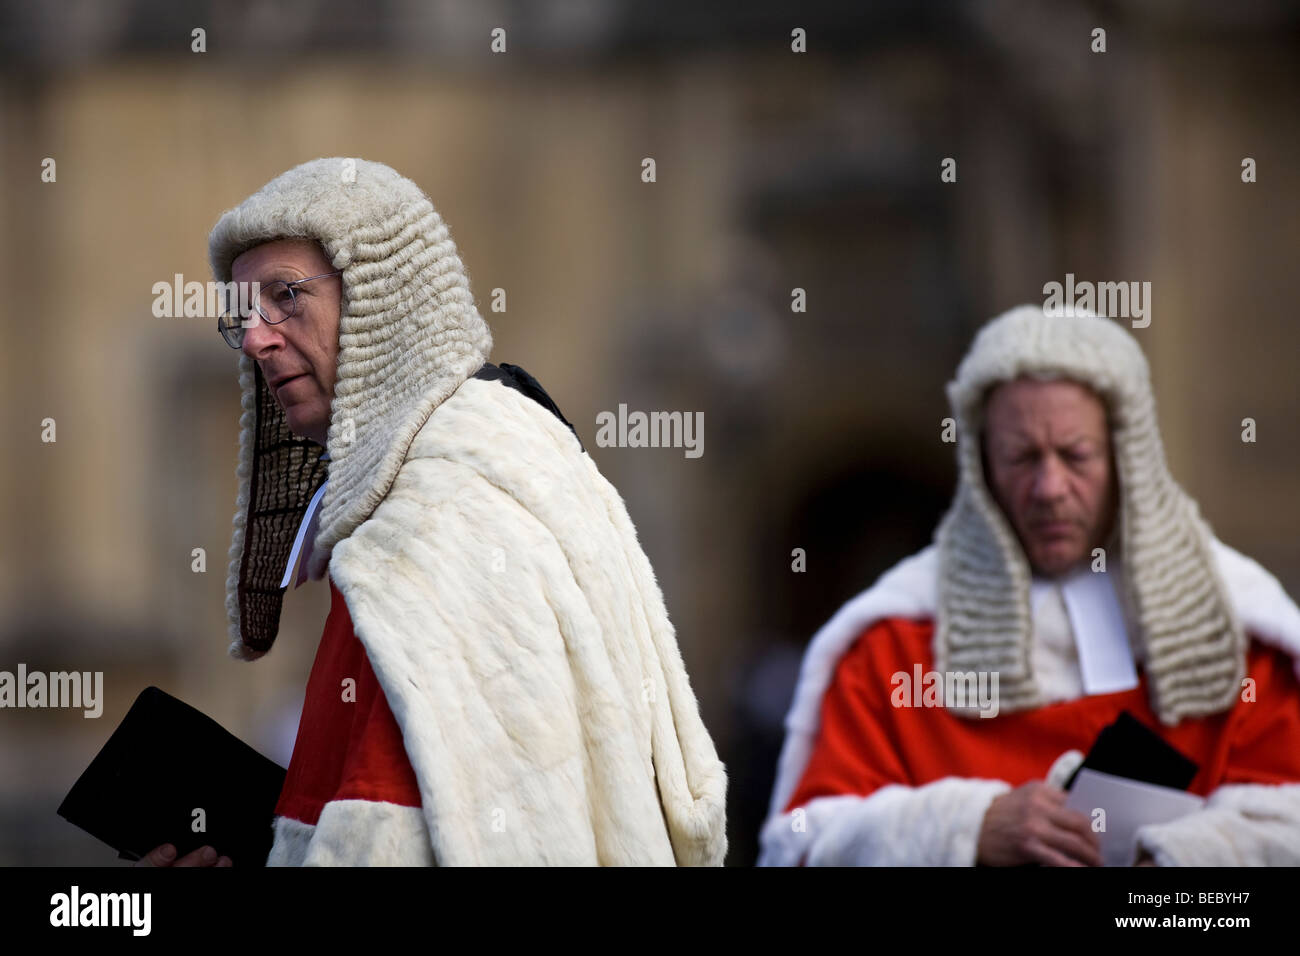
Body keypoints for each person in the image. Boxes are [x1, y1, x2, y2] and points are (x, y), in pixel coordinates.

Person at [143, 157, 727, 866]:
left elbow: (390, 839)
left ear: (384, 297)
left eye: (287, 295)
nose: (260, 338)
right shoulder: (502, 462)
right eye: (243, 317)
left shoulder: (437, 524)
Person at [759, 304, 1300, 866]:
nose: (1048, 487)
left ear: (1127, 456)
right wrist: (965, 831)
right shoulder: (892, 648)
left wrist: (1167, 867)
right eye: (1020, 457)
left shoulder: (1234, 633)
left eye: (1076, 455)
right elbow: (800, 845)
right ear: (982, 464)